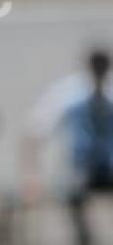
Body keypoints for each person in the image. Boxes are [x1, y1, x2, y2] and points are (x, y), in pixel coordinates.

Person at [24, 49, 113, 245]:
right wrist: (32, 177)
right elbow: (35, 132)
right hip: (79, 169)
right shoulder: (69, 92)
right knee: (74, 203)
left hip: (109, 164)